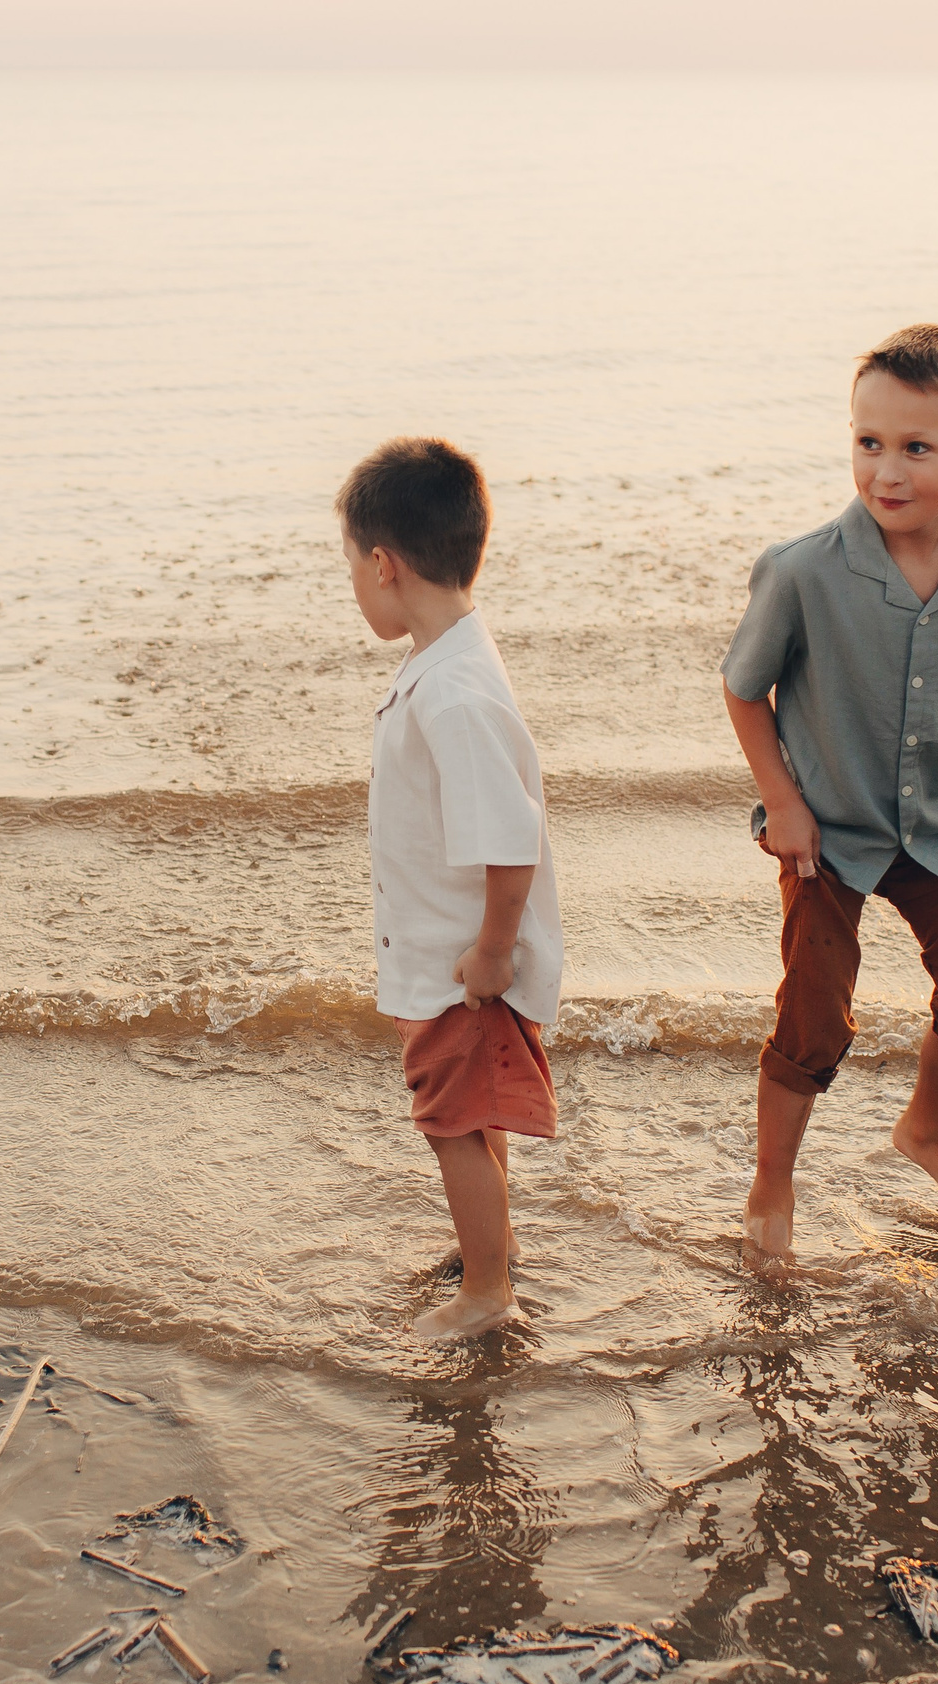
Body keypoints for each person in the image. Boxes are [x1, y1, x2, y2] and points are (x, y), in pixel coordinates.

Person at [719, 324, 938, 1259]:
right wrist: (784, 804)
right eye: (869, 442)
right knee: (815, 1012)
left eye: (916, 446)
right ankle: (772, 1182)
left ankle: (926, 1130)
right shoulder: (803, 569)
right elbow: (745, 688)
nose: (887, 471)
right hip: (828, 831)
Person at [342, 436, 564, 1340]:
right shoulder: (447, 663)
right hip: (446, 945)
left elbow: (510, 839)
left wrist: (493, 951)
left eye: (353, 566)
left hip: (462, 959)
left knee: (452, 1121)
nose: (355, 584)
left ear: (385, 565)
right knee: (474, 1110)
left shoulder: (456, 691)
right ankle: (489, 1249)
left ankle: (486, 1291)